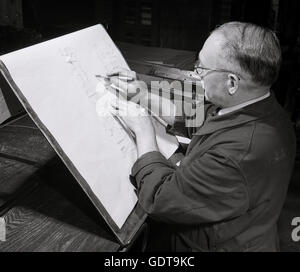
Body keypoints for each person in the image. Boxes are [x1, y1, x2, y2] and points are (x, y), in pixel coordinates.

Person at [108, 22, 296, 252]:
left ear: (232, 83)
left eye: (203, 69)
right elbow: (199, 118)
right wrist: (143, 95)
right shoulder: (260, 105)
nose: (197, 73)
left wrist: (143, 129)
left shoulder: (240, 152)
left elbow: (160, 198)